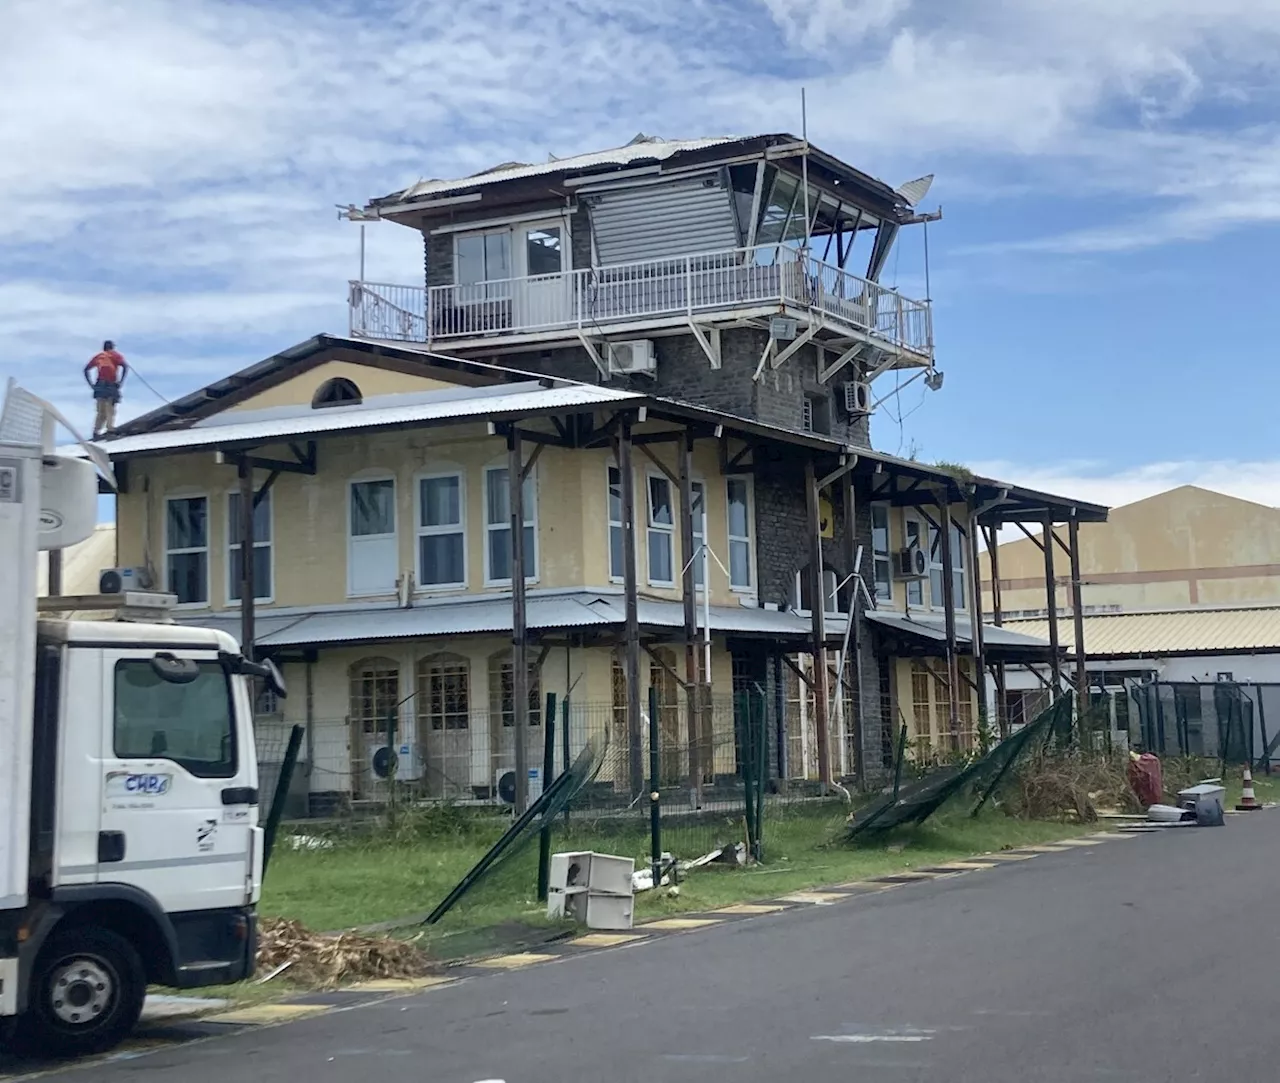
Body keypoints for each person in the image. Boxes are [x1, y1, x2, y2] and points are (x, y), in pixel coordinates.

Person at [84, 340, 127, 436]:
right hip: (111, 384)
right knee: (110, 408)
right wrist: (120, 382)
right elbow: (125, 366)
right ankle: (110, 429)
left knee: (101, 410)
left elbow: (86, 369)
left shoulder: (99, 356)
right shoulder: (115, 355)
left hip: (100, 385)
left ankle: (96, 430)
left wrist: (91, 385)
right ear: (112, 347)